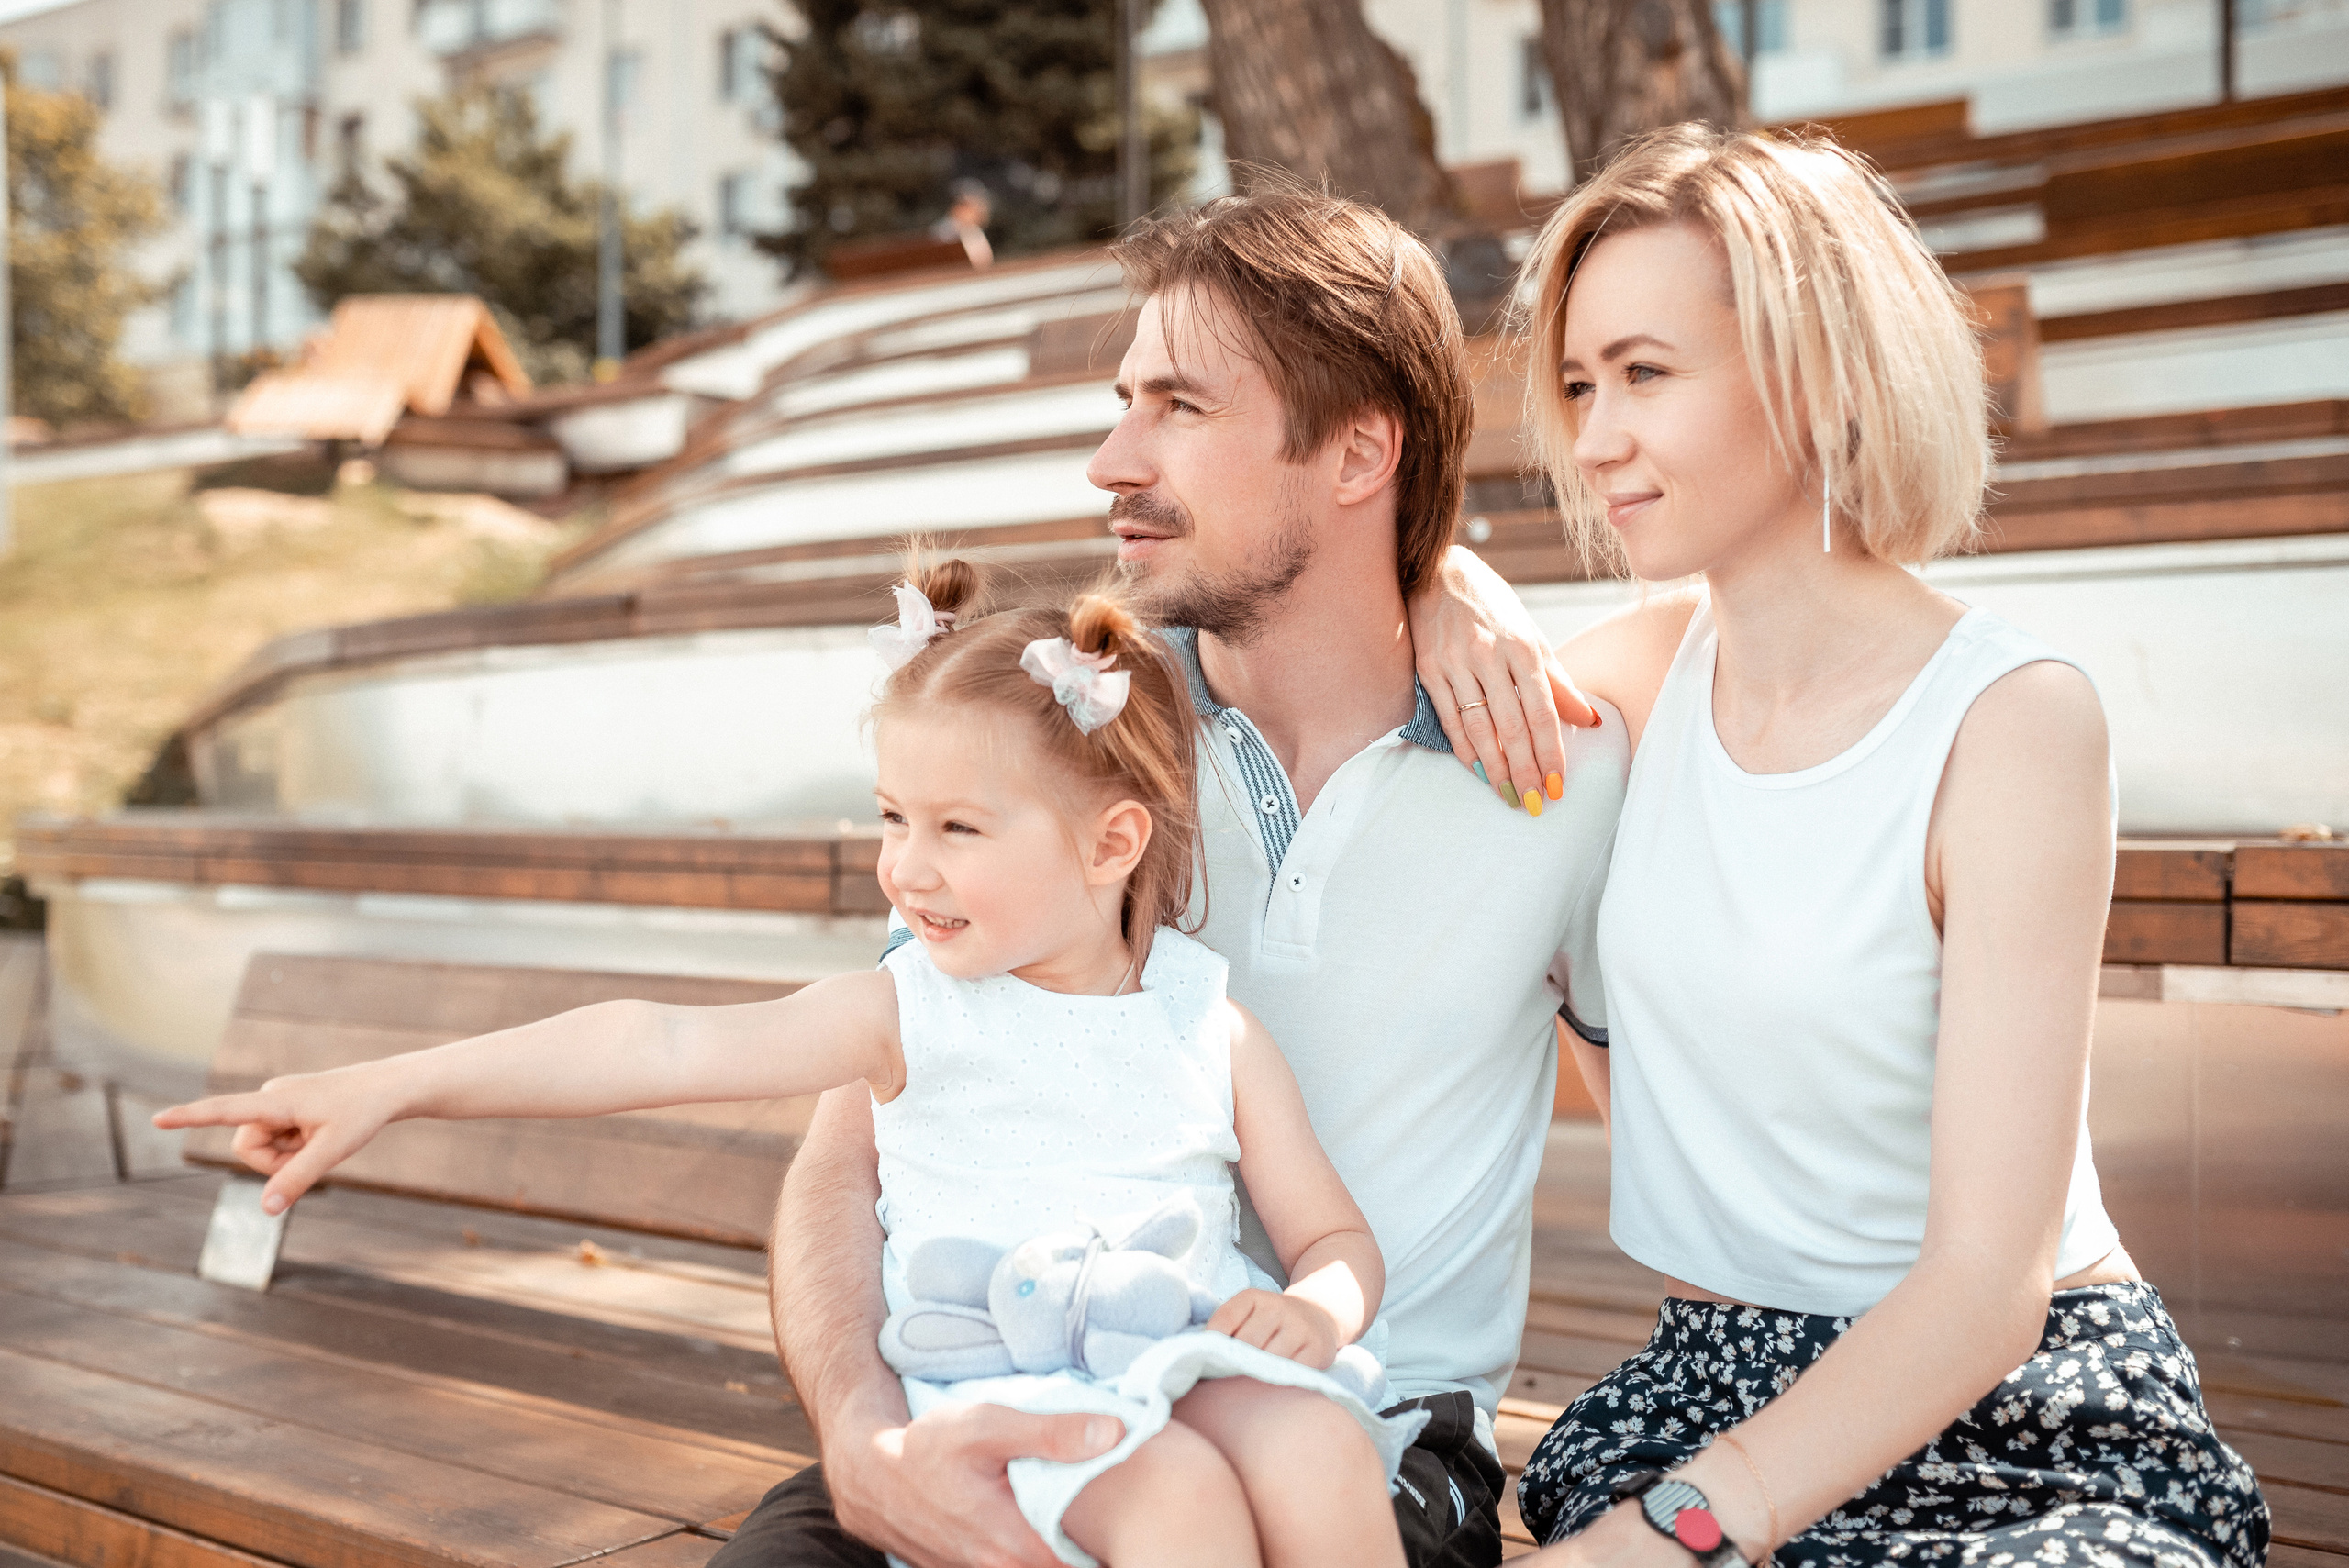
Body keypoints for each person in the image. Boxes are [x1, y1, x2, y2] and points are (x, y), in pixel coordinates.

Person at [716, 184, 1627, 1568]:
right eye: (1123, 400)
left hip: (1354, 1441)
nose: (1109, 459)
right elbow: (847, 1154)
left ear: (1360, 449)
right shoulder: (1077, 740)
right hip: (1012, 1399)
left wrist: (1459, 580)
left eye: (1178, 409)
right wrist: (858, 1432)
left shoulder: (1558, 770)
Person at [156, 572, 1419, 1568]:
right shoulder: (907, 1013)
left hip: (1187, 1363)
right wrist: (390, 1084)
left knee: (1318, 1448)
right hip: (1008, 1398)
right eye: (890, 816)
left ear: (1113, 840)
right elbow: (657, 1039)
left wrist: (1318, 1311)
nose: (905, 868)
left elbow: (1334, 1240)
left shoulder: (1208, 1023)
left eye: (956, 828)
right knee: (1181, 1499)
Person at [1409, 125, 2269, 1568]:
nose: (1595, 434)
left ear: (1813, 370)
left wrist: (1673, 1531)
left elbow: (1987, 1289)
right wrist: (1445, 587)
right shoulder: (1621, 685)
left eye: (1644, 373)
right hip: (1715, 1381)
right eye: (1576, 384)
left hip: (2019, 1404)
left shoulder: (2011, 722)